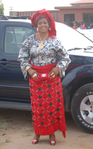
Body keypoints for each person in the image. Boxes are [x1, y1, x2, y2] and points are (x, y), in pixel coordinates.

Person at [18, 9, 71, 145]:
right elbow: (22, 56)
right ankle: (38, 132)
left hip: (52, 79)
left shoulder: (55, 41)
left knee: (52, 107)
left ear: (49, 25)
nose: (42, 25)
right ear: (37, 25)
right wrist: (29, 69)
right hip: (36, 80)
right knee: (38, 108)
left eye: (45, 23)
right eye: (40, 22)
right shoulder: (29, 41)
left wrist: (58, 67)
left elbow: (65, 57)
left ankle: (51, 134)